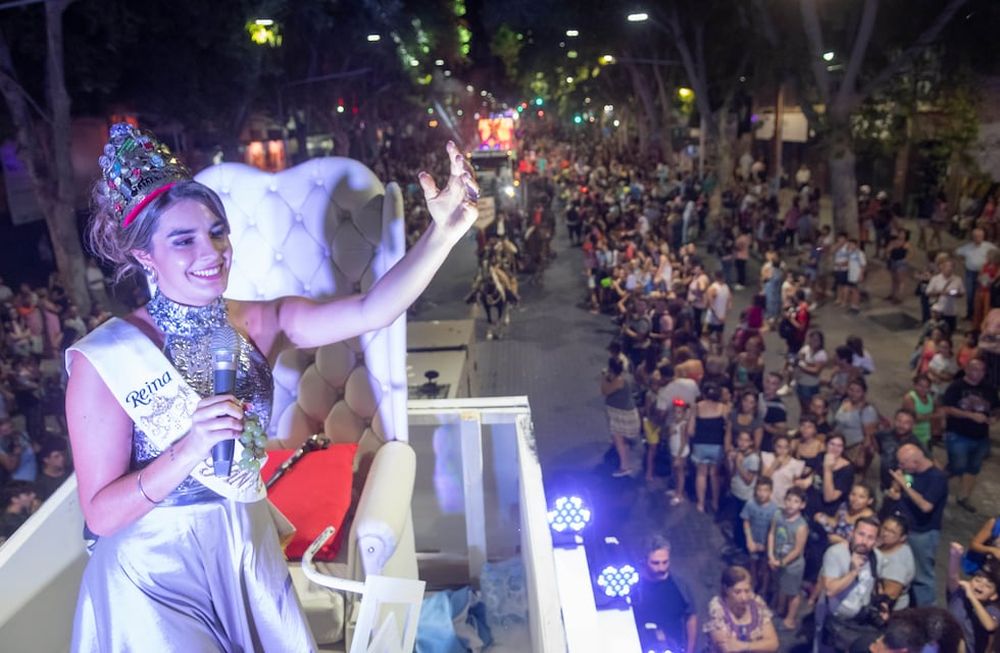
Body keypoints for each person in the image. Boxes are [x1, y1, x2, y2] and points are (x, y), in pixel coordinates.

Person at [65, 124, 479, 650]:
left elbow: (374, 308)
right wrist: (191, 447)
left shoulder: (261, 322)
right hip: (155, 576)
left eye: (217, 231)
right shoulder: (106, 360)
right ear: (146, 256)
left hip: (245, 546)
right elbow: (100, 513)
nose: (211, 251)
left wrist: (442, 233)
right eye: (183, 240)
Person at [888, 443, 948, 606]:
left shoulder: (937, 477)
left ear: (915, 462)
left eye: (903, 463)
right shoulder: (911, 474)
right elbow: (904, 492)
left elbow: (926, 505)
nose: (900, 466)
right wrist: (899, 487)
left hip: (923, 534)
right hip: (905, 529)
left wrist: (904, 484)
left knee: (922, 577)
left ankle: (927, 615)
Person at [941, 357, 999, 513]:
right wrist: (970, 415)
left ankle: (964, 497)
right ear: (967, 369)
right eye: (974, 369)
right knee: (958, 465)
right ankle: (938, 479)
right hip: (958, 434)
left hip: (981, 436)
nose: (977, 373)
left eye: (981, 370)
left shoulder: (989, 389)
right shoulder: (956, 387)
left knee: (973, 467)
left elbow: (996, 407)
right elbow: (947, 408)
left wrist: (994, 417)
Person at [817, 517, 881, 652]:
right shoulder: (836, 553)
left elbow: (874, 584)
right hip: (834, 619)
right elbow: (830, 590)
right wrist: (853, 572)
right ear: (852, 533)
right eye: (861, 534)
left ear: (875, 541)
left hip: (859, 621)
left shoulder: (877, 557)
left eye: (870, 537)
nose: (864, 541)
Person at [632, 534, 698, 653]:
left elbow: (691, 617)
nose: (661, 568)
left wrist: (690, 650)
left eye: (665, 562)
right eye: (655, 563)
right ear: (644, 560)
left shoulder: (680, 585)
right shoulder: (635, 587)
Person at [704, 565, 780, 653]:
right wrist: (759, 645)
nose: (744, 597)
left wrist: (744, 646)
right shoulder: (717, 608)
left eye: (747, 591)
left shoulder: (757, 603)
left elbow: (773, 643)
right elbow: (727, 649)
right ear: (726, 590)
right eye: (737, 592)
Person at [947, 542, 1000, 653]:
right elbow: (953, 577)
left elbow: (990, 626)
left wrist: (972, 597)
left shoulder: (992, 609)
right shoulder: (960, 595)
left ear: (994, 595)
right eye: (977, 580)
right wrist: (955, 556)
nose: (980, 585)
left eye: (987, 586)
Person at [768, 487, 808, 631]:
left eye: (796, 501)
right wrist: (771, 556)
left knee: (792, 592)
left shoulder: (801, 526)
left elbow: (797, 550)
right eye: (789, 500)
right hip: (777, 559)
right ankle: (779, 608)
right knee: (780, 585)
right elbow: (772, 533)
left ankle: (790, 619)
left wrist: (782, 562)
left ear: (802, 505)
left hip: (792, 566)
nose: (791, 504)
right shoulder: (778, 514)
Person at [688, 383, 728, 513]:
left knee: (701, 474)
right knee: (714, 475)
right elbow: (728, 427)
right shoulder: (723, 408)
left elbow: (690, 431)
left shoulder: (697, 407)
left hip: (700, 445)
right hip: (717, 445)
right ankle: (715, 502)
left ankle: (700, 503)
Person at [602, 356, 642, 477]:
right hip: (625, 412)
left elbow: (605, 391)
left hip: (621, 415)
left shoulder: (619, 381)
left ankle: (625, 466)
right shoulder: (626, 376)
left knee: (618, 439)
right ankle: (625, 458)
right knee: (621, 439)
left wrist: (604, 378)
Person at [743, 476, 779, 596]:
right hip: (754, 541)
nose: (762, 494)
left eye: (765, 490)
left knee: (765, 567)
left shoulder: (775, 509)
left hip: (767, 545)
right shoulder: (750, 504)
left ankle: (764, 587)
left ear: (770, 491)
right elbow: (746, 521)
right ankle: (753, 583)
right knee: (753, 564)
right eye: (759, 490)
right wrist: (749, 540)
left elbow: (774, 530)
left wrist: (767, 547)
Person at [955, 227, 998, 322]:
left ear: (983, 237)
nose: (978, 238)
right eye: (976, 236)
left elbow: (996, 255)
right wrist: (962, 262)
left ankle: (979, 315)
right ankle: (970, 313)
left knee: (982, 295)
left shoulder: (989, 246)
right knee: (970, 294)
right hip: (970, 273)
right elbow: (957, 252)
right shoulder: (968, 247)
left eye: (980, 236)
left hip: (984, 274)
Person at [876, 515, 915, 612]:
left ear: (902, 538)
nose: (885, 533)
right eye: (885, 528)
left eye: (892, 532)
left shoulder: (897, 563)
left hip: (890, 611)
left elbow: (890, 595)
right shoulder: (885, 546)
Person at [925, 255, 965, 334]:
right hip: (938, 311)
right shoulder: (935, 279)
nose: (949, 269)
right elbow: (928, 292)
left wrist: (952, 293)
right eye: (947, 266)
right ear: (942, 268)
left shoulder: (957, 279)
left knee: (949, 332)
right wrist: (940, 292)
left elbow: (961, 293)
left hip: (951, 310)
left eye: (951, 267)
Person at [901, 376, 935, 451]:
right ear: (915, 385)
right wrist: (933, 416)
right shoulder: (909, 398)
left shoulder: (929, 397)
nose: (923, 389)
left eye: (926, 387)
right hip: (911, 436)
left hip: (926, 436)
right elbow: (914, 417)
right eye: (920, 386)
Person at [34, 435, 71, 501]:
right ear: (46, 460)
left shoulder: (70, 471)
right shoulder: (41, 483)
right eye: (56, 456)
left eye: (62, 454)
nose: (62, 458)